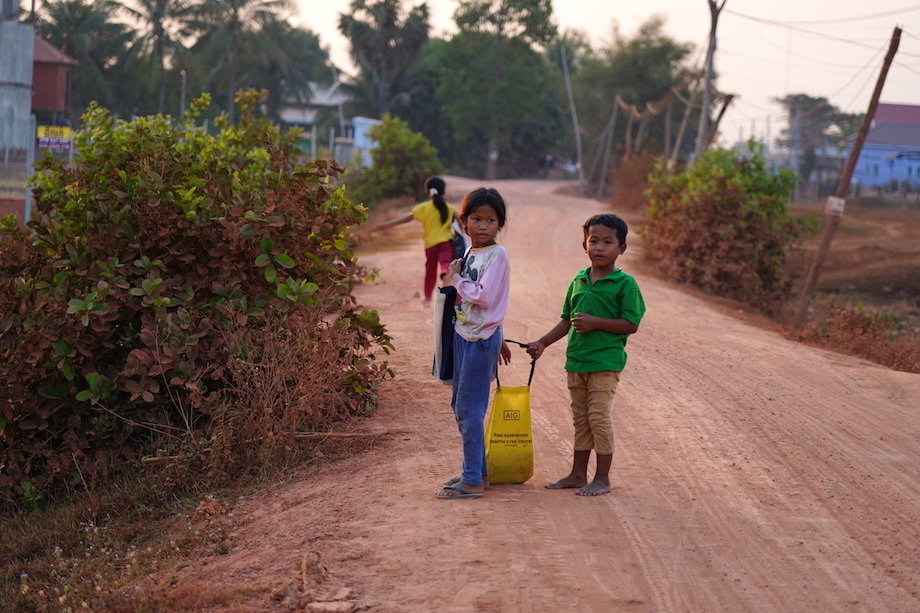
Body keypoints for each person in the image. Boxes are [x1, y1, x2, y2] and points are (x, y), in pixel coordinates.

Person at [525, 214, 645, 496]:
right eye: (594, 241)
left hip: (605, 363)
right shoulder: (578, 280)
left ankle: (602, 478)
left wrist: (596, 322)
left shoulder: (624, 284)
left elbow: (631, 324)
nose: (600, 247)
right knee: (580, 418)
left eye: (608, 242)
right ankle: (578, 474)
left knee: (598, 416)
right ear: (584, 244)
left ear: (622, 248)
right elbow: (567, 320)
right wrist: (542, 343)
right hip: (576, 361)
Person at [436, 187, 513, 499]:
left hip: (480, 340)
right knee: (461, 404)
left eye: (491, 220)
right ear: (463, 223)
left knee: (469, 408)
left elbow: (485, 296)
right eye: (476, 219)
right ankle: (478, 472)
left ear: (499, 224)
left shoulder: (497, 255)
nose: (483, 226)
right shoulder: (470, 253)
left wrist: (455, 280)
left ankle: (471, 481)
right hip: (464, 336)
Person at [374, 176, 459, 306]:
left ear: (427, 192)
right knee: (445, 265)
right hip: (445, 243)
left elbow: (408, 218)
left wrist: (387, 224)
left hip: (430, 245)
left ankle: (427, 299)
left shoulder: (423, 208)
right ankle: (445, 280)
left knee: (430, 272)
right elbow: (464, 223)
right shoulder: (450, 209)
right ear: (443, 192)